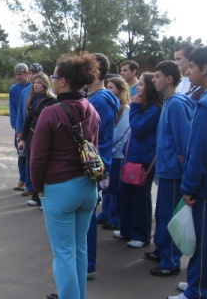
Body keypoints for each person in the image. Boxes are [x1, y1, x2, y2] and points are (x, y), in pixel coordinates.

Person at [30, 53, 100, 299]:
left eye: (54, 76)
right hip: (88, 188)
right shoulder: (91, 109)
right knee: (79, 248)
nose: (52, 79)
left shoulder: (51, 113)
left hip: (60, 189)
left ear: (62, 81)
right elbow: (94, 149)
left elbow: (37, 157)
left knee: (64, 253)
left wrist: (37, 189)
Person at [168, 46, 207, 299]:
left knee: (204, 242)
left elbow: (200, 152)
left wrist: (188, 187)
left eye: (192, 66)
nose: (187, 71)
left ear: (206, 69)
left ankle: (198, 290)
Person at [146, 61, 194, 277]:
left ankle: (171, 261)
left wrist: (182, 167)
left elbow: (184, 139)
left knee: (168, 216)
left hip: (173, 172)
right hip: (166, 169)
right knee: (163, 214)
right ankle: (161, 250)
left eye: (157, 76)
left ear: (169, 79)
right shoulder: (168, 101)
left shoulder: (175, 103)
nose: (153, 80)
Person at [114, 72, 163, 248]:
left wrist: (134, 108)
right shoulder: (143, 107)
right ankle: (126, 229)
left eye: (141, 84)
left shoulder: (155, 109)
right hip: (132, 157)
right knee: (125, 194)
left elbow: (138, 128)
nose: (137, 88)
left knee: (140, 198)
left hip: (144, 159)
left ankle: (141, 235)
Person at [86, 53, 120, 280]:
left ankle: (87, 265)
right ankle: (86, 264)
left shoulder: (99, 100)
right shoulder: (102, 98)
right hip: (96, 163)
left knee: (85, 219)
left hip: (91, 165)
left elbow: (89, 138)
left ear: (95, 71)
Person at [18, 72, 57, 207]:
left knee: (44, 166)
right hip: (31, 136)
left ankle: (45, 199)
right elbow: (27, 120)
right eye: (34, 82)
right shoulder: (33, 100)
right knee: (32, 164)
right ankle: (36, 195)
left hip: (45, 138)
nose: (36, 85)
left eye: (39, 82)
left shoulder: (53, 101)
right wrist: (23, 139)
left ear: (45, 84)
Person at [101, 76, 131, 231]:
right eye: (107, 86)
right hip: (108, 152)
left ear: (119, 90)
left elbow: (119, 133)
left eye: (111, 87)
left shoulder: (125, 109)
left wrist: (106, 144)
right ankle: (105, 213)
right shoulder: (112, 106)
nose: (108, 90)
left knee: (114, 188)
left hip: (117, 155)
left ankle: (115, 217)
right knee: (105, 186)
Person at [16, 62, 44, 196]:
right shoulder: (25, 92)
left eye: (35, 74)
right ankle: (28, 184)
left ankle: (36, 188)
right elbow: (22, 115)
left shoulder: (49, 95)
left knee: (36, 160)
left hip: (41, 134)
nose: (32, 76)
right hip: (26, 132)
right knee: (26, 158)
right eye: (31, 73)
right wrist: (19, 131)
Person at [8, 63, 30, 191]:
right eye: (16, 74)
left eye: (20, 74)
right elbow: (13, 109)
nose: (18, 77)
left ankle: (29, 181)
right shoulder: (13, 89)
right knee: (21, 154)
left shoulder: (32, 87)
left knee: (30, 155)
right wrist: (17, 128)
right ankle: (22, 179)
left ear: (27, 74)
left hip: (31, 127)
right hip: (19, 128)